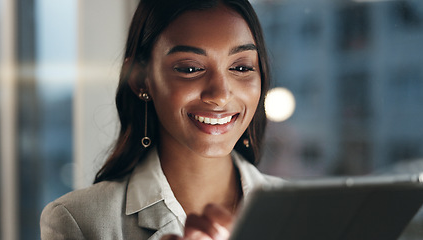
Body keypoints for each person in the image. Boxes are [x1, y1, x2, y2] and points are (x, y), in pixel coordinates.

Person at [40, 0, 282, 239]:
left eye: (241, 68)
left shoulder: (307, 212)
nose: (220, 95)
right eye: (190, 68)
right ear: (139, 79)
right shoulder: (79, 221)